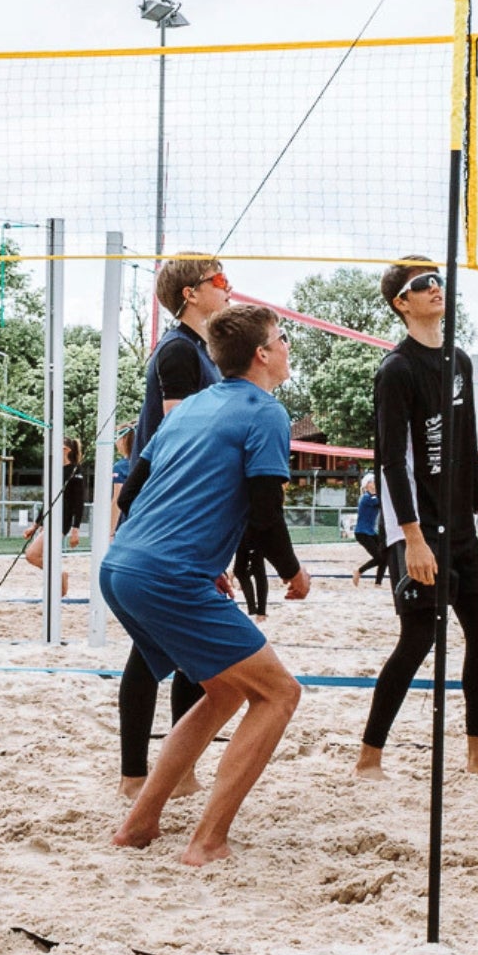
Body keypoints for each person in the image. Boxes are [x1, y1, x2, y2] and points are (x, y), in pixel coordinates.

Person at [101, 304, 309, 866]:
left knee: (227, 689)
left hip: (121, 567)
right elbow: (265, 515)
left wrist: (196, 553)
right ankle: (208, 841)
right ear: (262, 354)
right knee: (280, 693)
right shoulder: (266, 412)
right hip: (167, 574)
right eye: (281, 338)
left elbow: (132, 493)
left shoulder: (189, 407)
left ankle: (140, 823)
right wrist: (293, 573)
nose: (287, 346)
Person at [355, 257, 478, 779]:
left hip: (462, 524)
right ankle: (369, 757)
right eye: (423, 284)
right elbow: (391, 460)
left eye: (438, 279)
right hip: (419, 530)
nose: (436, 287)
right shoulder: (395, 370)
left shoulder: (459, 361)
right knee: (418, 640)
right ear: (402, 301)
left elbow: (465, 446)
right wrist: (411, 539)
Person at [116, 254, 232, 800]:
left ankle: (164, 771)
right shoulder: (179, 350)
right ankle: (140, 774)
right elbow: (188, 441)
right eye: (219, 281)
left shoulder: (199, 351)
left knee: (179, 647)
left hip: (180, 510)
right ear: (190, 293)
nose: (227, 289)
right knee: (159, 645)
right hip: (170, 511)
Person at [22, 438, 84, 596]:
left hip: (61, 521)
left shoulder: (75, 471)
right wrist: (35, 525)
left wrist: (75, 530)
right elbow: (48, 501)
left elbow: (79, 502)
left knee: (32, 555)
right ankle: (57, 584)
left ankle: (60, 574)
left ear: (66, 450)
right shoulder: (55, 471)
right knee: (40, 555)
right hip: (50, 521)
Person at [351, 473, 386, 585]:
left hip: (370, 532)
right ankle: (359, 571)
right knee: (379, 557)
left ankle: (378, 583)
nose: (375, 484)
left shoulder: (373, 497)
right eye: (372, 482)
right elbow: (381, 501)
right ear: (366, 485)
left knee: (385, 556)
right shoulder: (366, 498)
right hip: (362, 533)